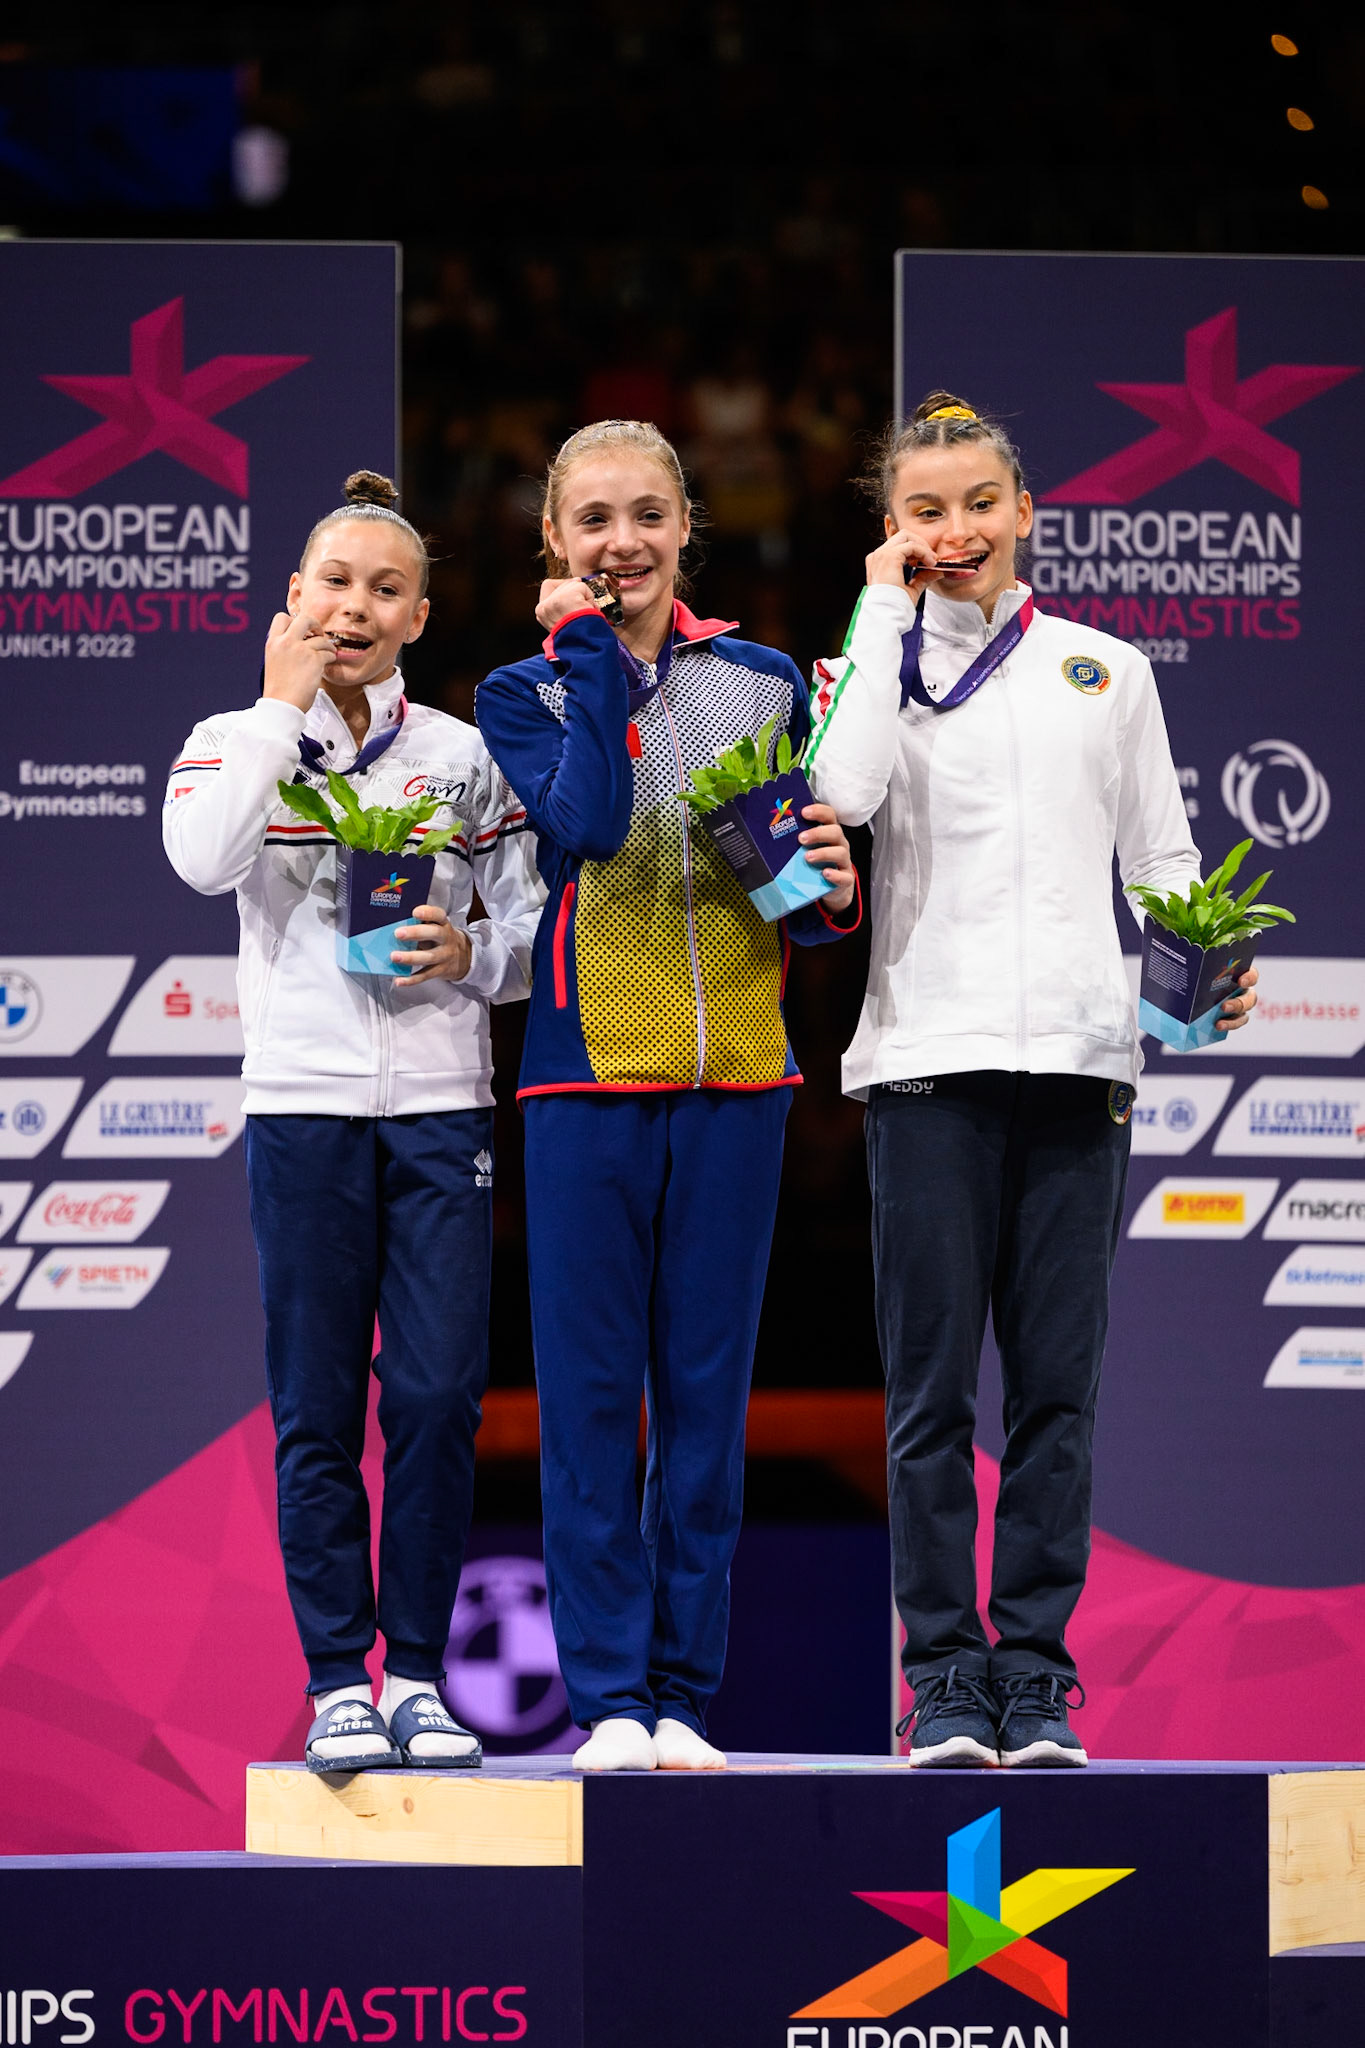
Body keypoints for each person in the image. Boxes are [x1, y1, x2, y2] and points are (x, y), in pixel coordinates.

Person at [807, 394, 1258, 1769]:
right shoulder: (864, 668)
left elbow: (1161, 863)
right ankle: (941, 1677)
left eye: (978, 504)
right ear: (894, 529)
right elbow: (841, 798)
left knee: (1056, 1393)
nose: (956, 531)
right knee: (931, 1397)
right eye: (925, 510)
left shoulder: (1105, 672)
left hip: (1077, 1066)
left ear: (1023, 513)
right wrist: (877, 620)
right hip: (926, 1068)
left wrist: (1204, 968)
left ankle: (1035, 1675)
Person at [475, 419, 860, 1771]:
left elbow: (800, 911)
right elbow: (582, 823)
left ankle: (684, 1699)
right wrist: (590, 659)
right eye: (591, 522)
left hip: (740, 1083)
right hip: (583, 1082)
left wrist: (827, 883)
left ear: (686, 524)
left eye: (645, 515)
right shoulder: (522, 692)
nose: (619, 543)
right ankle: (606, 1703)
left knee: (705, 1406)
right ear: (554, 545)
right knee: (589, 1404)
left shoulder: (760, 680)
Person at [163, 472, 543, 1771]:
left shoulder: (459, 755)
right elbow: (201, 862)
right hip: (303, 1110)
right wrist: (276, 712)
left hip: (440, 1106)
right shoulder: (231, 737)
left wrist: (470, 950)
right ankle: (338, 1680)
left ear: (420, 615)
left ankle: (421, 1675)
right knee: (315, 1404)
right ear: (294, 600)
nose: (355, 608)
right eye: (334, 584)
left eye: (385, 589)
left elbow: (535, 932)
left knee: (436, 1401)